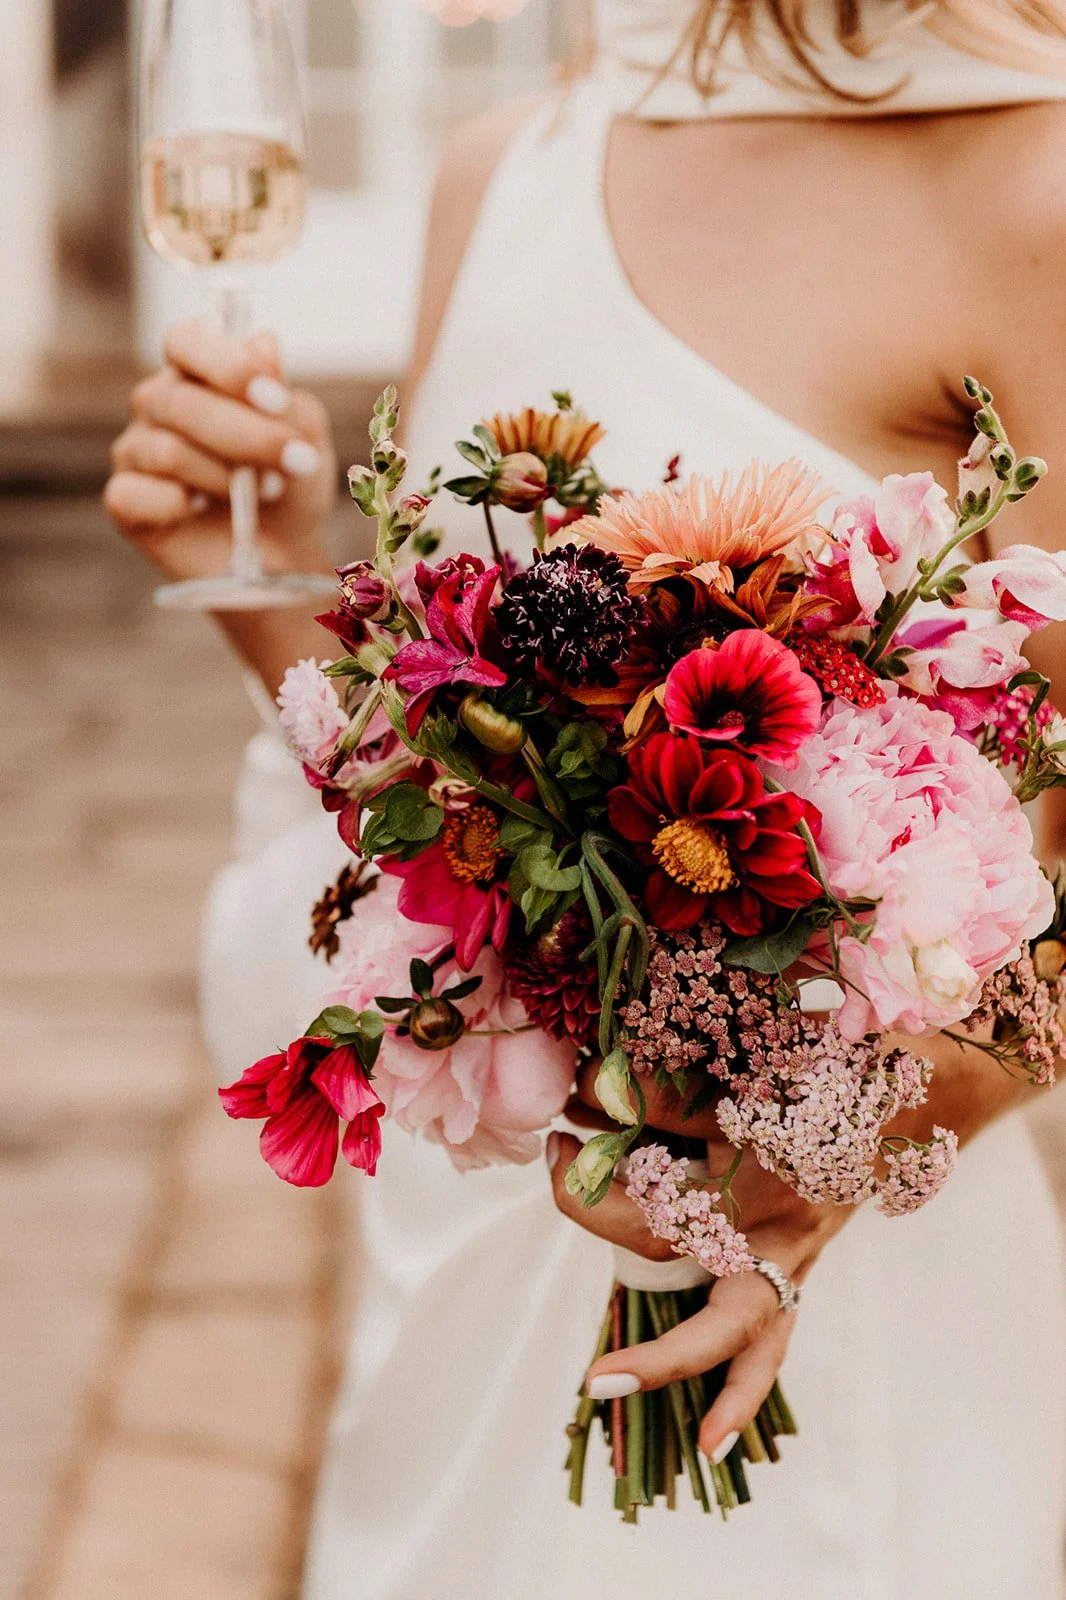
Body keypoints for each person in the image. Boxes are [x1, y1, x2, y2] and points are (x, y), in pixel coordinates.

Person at [106, 1, 1066, 1592]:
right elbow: (441, 798)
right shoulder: (511, 166)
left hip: (824, 1282)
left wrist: (874, 1120)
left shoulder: (1038, 186)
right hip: (470, 1269)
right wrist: (259, 587)